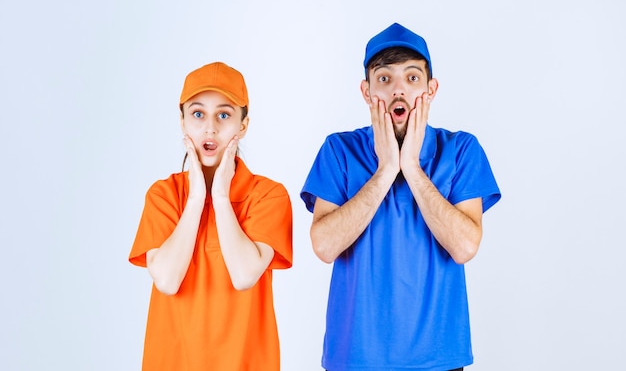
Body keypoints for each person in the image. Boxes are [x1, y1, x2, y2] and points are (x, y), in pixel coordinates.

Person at [300, 23, 501, 371]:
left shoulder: (461, 150)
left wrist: (411, 167)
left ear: (431, 88)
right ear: (366, 91)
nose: (399, 90)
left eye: (411, 78)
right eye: (384, 79)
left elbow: (465, 246)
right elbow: (324, 245)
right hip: (355, 358)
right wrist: (385, 171)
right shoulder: (339, 150)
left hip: (439, 359)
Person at [129, 62, 293, 371]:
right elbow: (166, 279)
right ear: (183, 122)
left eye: (224, 115)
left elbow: (245, 275)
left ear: (242, 125)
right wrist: (196, 198)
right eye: (198, 113)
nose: (210, 128)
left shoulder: (268, 196)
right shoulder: (163, 196)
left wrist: (220, 197)